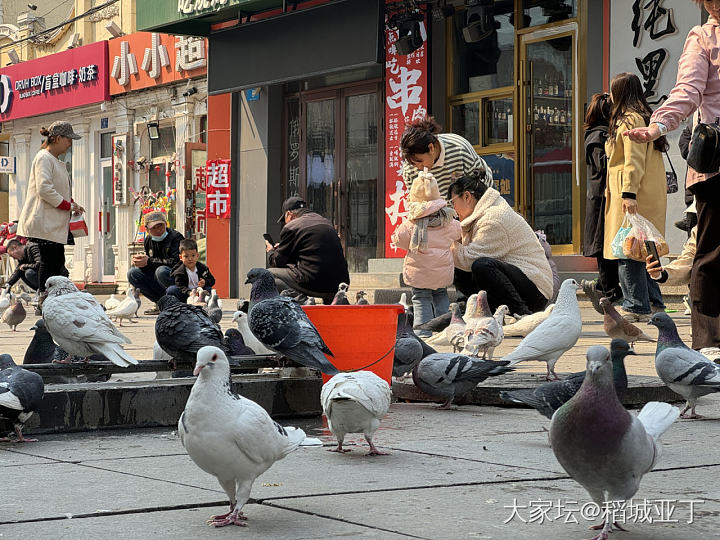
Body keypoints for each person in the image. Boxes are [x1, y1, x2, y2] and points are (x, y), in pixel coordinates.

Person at [626, 0, 720, 351]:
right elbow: (688, 91)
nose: (714, 6)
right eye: (707, 1)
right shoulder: (702, 38)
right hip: (716, 164)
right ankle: (710, 345)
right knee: (711, 254)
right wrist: (658, 125)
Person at [604, 72, 667, 323]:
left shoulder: (629, 119)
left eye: (612, 91)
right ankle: (654, 302)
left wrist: (628, 192)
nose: (609, 96)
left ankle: (635, 305)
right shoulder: (644, 117)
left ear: (619, 93)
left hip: (632, 193)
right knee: (645, 248)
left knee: (628, 249)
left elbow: (633, 159)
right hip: (645, 191)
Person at [449, 170, 553, 317]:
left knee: (481, 266)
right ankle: (488, 312)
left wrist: (445, 241)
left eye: (452, 202)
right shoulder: (483, 214)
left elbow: (468, 259)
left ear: (467, 196)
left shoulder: (493, 219)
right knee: (459, 268)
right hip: (519, 280)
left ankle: (522, 314)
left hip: (535, 289)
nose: (453, 209)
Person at [16, 121, 84, 313]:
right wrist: (67, 205)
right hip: (43, 222)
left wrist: (72, 203)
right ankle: (44, 300)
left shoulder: (55, 161)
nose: (70, 143)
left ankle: (52, 301)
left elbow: (57, 189)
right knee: (49, 263)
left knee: (56, 263)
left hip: (52, 222)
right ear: (58, 138)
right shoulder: (44, 158)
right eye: (68, 139)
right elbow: (45, 189)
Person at [391, 169, 462, 337]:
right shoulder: (447, 219)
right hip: (442, 271)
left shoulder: (412, 223)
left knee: (421, 298)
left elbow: (399, 239)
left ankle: (423, 330)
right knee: (441, 295)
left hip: (420, 271)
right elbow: (459, 233)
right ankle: (445, 329)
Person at [581, 93, 622, 313]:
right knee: (604, 248)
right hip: (601, 199)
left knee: (608, 247)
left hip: (604, 197)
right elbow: (603, 165)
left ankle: (601, 288)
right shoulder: (598, 136)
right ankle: (608, 293)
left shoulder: (598, 134)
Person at [266, 197, 350, 304]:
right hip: (339, 283)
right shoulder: (326, 222)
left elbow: (277, 262)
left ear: (289, 214)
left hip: (313, 283)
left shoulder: (292, 226)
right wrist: (285, 247)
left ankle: (301, 300)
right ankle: (335, 299)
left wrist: (271, 251)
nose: (285, 223)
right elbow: (313, 254)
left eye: (284, 220)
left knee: (267, 276)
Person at [401, 116, 493, 198]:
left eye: (420, 161)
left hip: (479, 198)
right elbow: (416, 204)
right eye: (413, 163)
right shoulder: (409, 170)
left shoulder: (459, 148)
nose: (419, 167)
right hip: (441, 213)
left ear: (431, 148)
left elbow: (482, 183)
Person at [127, 211, 183, 314]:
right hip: (157, 276)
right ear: (147, 230)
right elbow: (150, 266)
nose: (158, 230)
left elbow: (177, 262)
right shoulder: (148, 240)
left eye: (160, 226)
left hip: (176, 277)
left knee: (161, 271)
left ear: (166, 224)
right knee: (133, 273)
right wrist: (141, 263)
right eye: (154, 227)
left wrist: (149, 261)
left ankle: (178, 302)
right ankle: (161, 303)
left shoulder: (176, 237)